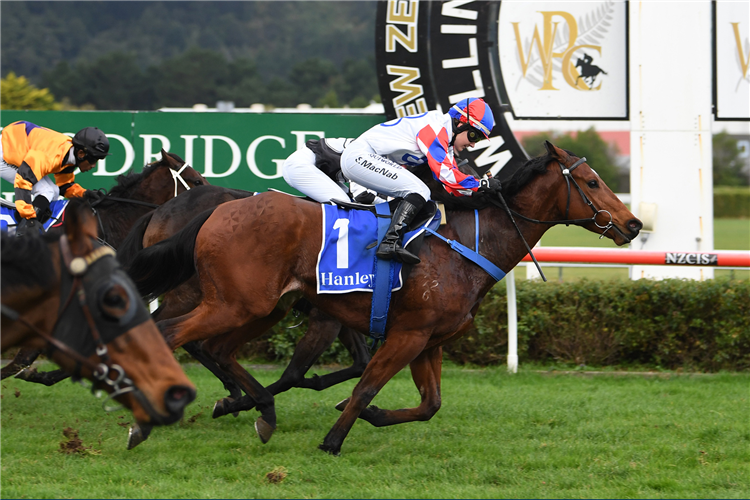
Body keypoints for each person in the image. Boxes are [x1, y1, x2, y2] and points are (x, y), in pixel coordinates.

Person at [340, 97, 500, 265]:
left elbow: (451, 186)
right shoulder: (435, 127)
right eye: (474, 136)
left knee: (417, 200)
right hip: (360, 157)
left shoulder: (446, 140)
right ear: (460, 123)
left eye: (479, 139)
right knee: (420, 191)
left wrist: (482, 190)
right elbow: (444, 174)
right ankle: (390, 243)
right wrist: (480, 184)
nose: (473, 144)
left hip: (367, 160)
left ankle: (379, 245)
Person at [0, 121, 110, 236]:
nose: (93, 165)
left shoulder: (70, 155)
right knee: (46, 190)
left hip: (19, 144)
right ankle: (24, 230)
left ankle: (35, 226)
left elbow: (64, 186)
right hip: (5, 151)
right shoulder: (50, 156)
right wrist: (29, 217)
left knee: (54, 190)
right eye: (93, 160)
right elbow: (23, 181)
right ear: (81, 153)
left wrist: (85, 194)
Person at [281, 137, 384, 205]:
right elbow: (361, 196)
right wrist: (388, 204)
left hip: (311, 167)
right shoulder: (365, 154)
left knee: (349, 200)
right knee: (343, 203)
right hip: (300, 165)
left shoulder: (374, 152)